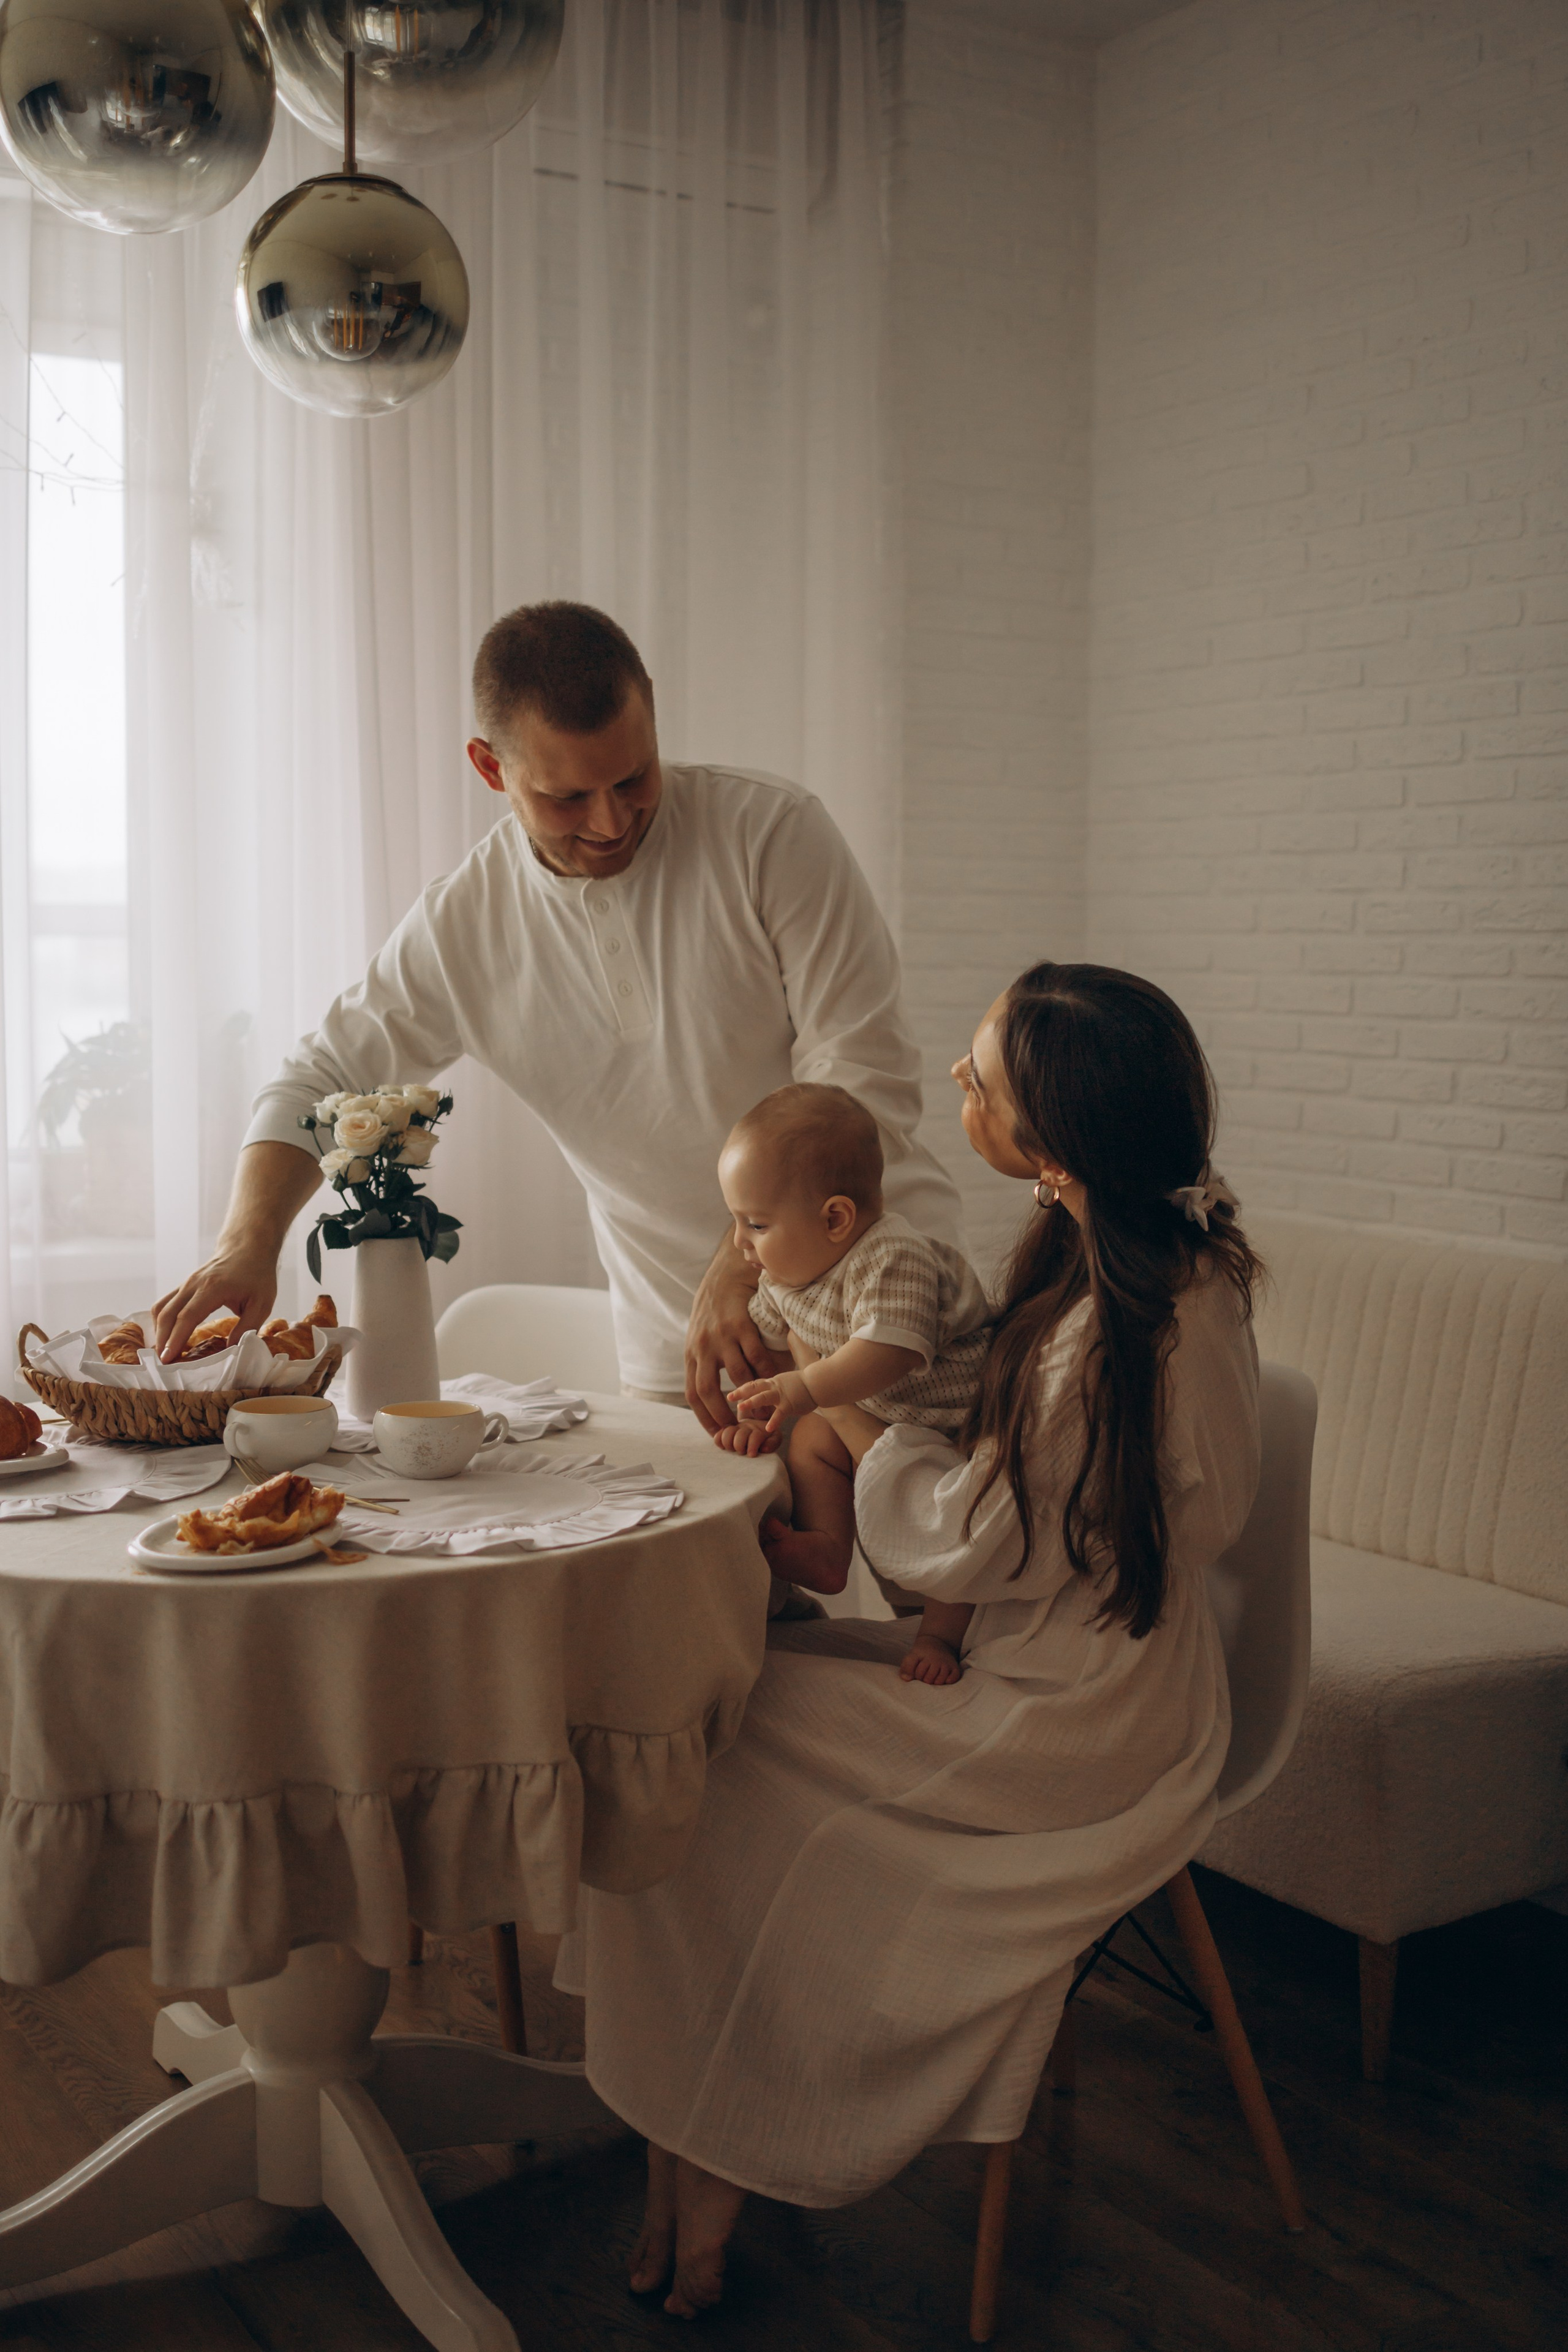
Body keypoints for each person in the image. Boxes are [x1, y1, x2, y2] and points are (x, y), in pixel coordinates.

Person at [560, 960, 1263, 2319]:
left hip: (1079, 1714)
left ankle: (711, 2141)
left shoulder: (1110, 1335)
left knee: (709, 1756)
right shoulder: (1146, 1264)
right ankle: (696, 2123)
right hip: (1073, 1659)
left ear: (1051, 1137)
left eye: (981, 1075)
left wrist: (861, 1437)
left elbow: (974, 1546)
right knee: (704, 1708)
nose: (955, 1080)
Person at [152, 603, 961, 1419]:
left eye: (633, 776)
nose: (611, 821)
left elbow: (863, 1083)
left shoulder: (774, 836)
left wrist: (741, 1261)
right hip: (681, 1349)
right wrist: (246, 1246)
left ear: (650, 708)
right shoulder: (465, 924)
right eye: (568, 797)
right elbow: (317, 1079)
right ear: (489, 767)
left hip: (884, 1315)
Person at [712, 1080, 990, 1683]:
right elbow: (772, 1359)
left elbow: (890, 1350)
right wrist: (756, 1414)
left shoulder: (892, 1254)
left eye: (754, 1224)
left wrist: (803, 1389)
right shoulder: (788, 1277)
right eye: (735, 1221)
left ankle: (940, 1634)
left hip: (955, 1424)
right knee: (812, 1438)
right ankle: (827, 1547)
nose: (739, 1244)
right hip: (885, 1417)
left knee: (959, 1523)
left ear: (835, 1218)